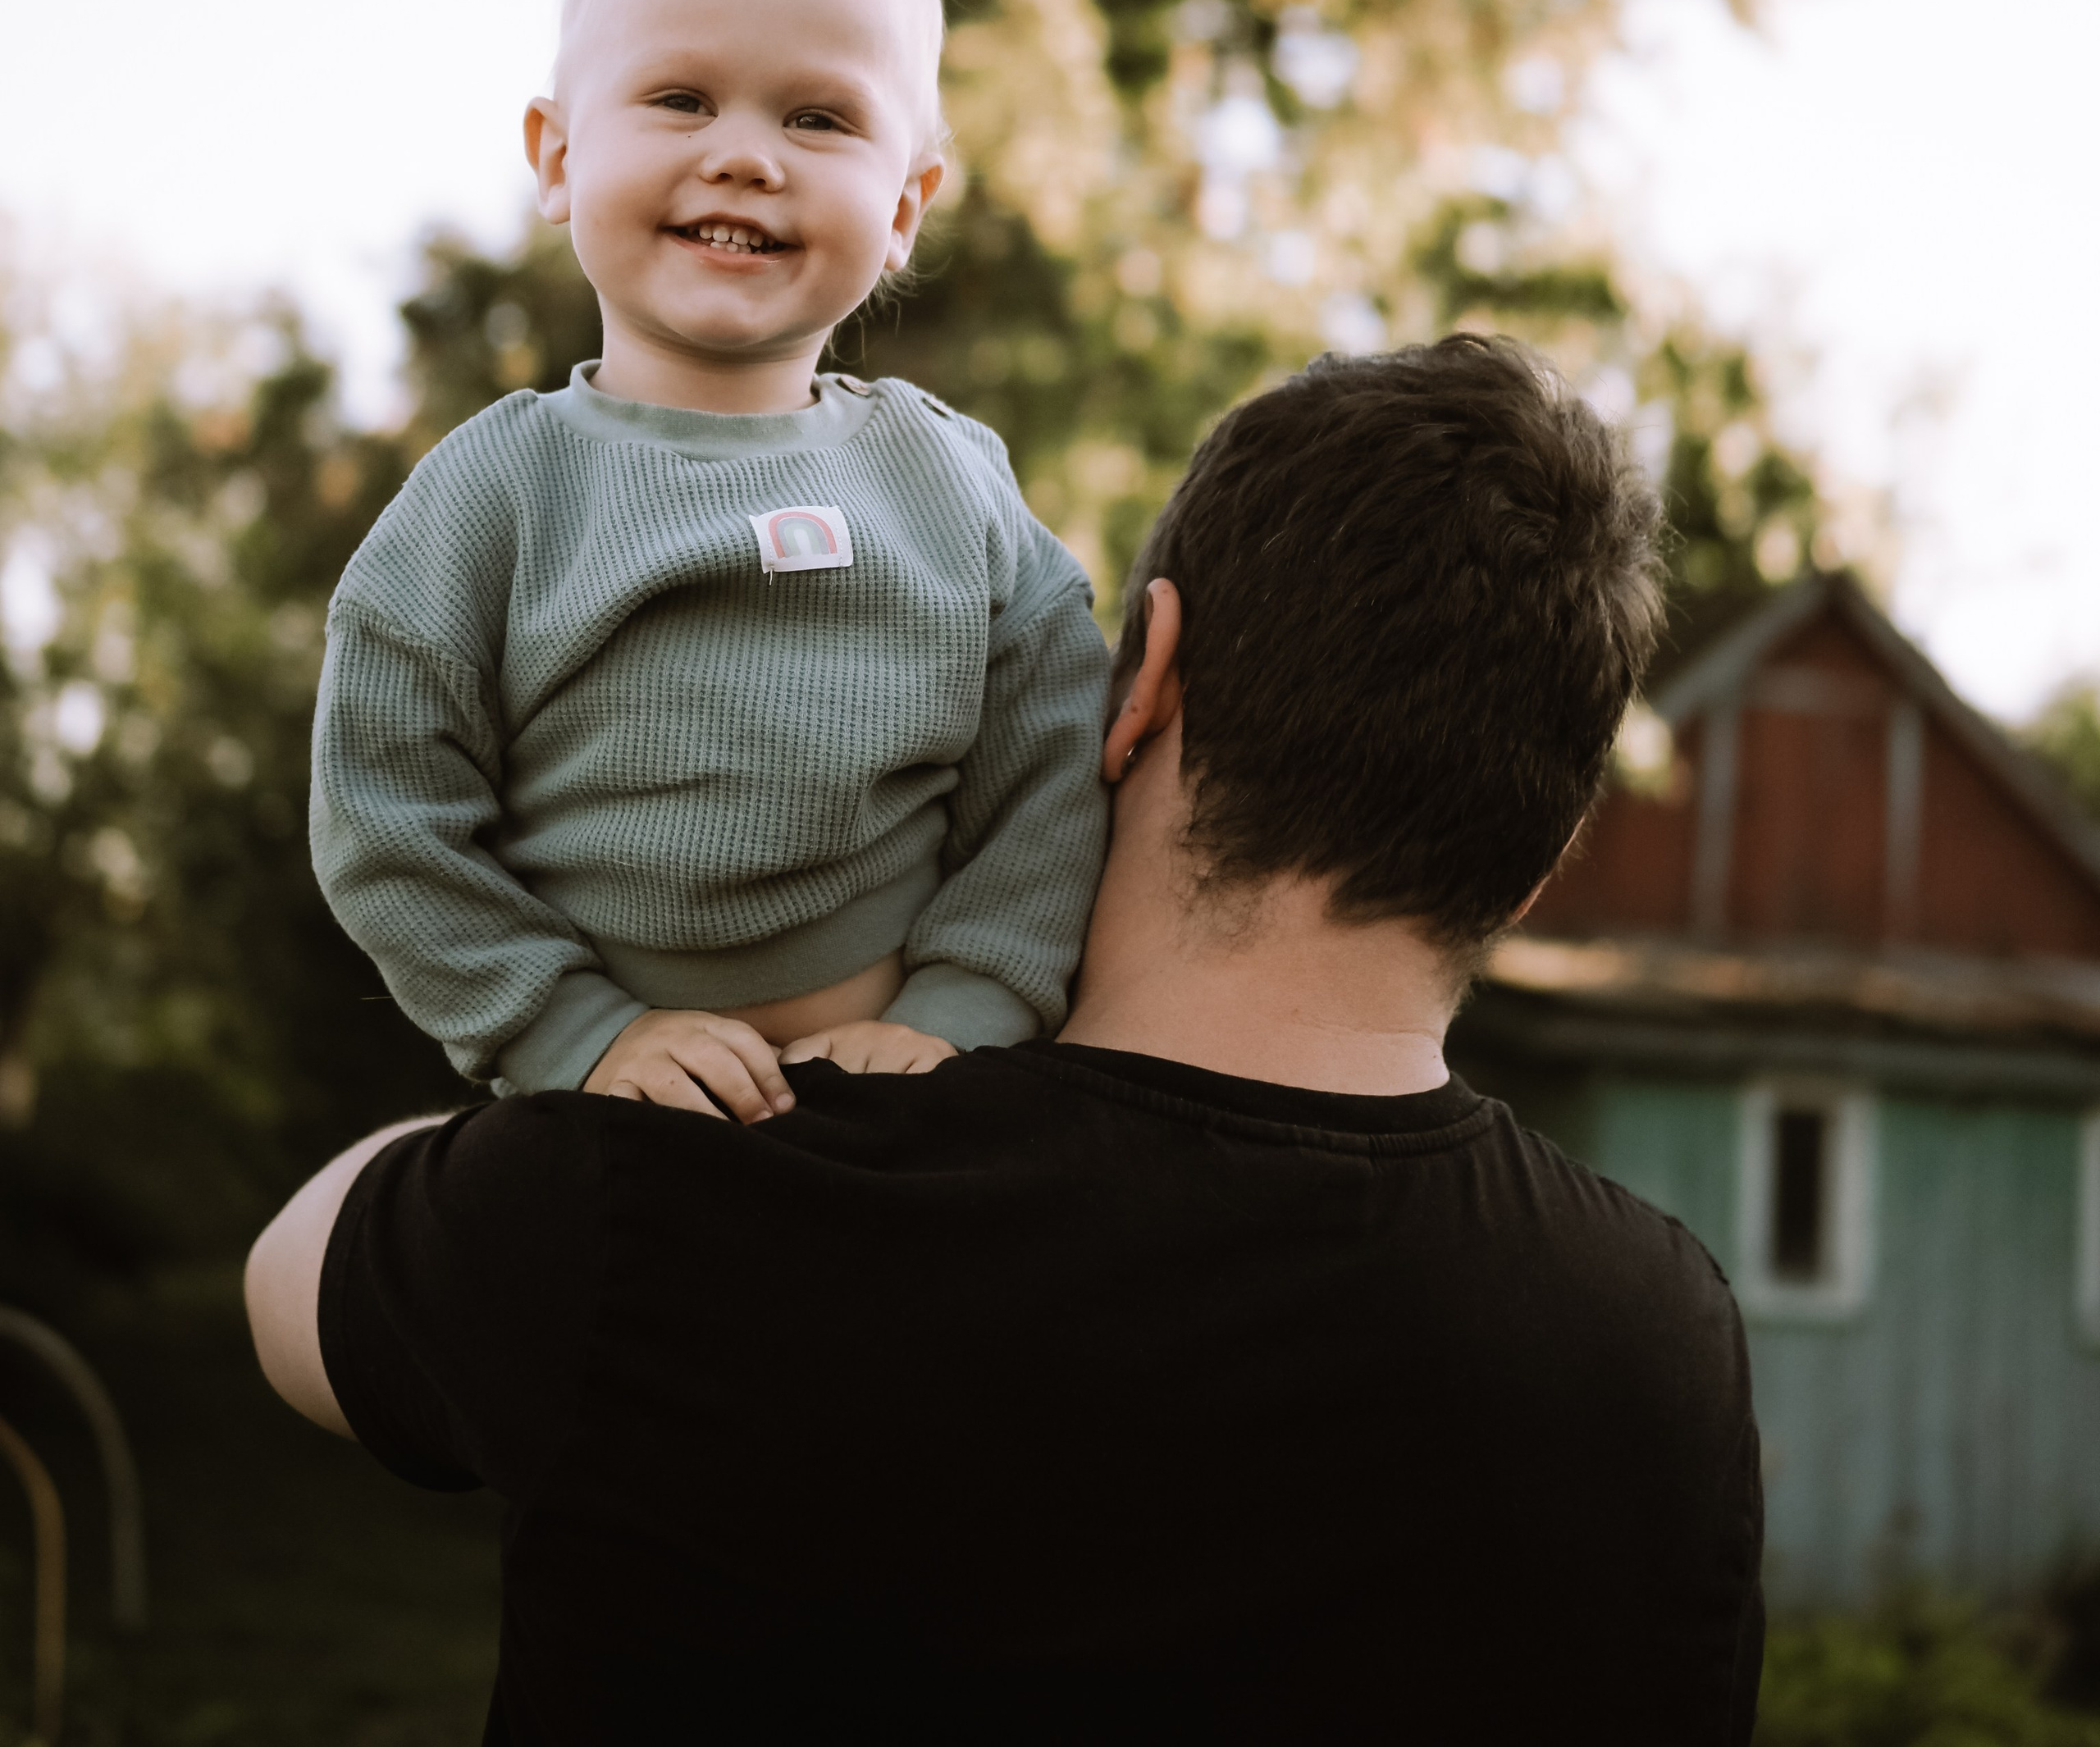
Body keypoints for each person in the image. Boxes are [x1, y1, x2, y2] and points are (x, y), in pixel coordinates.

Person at [252, 337, 1765, 1745]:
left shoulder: (691, 1193)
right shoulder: (1666, 1347)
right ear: (1544, 846)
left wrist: (611, 1026)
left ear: (1144, 678)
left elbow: (286, 1284)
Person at [308, 0, 1110, 1112]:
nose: (746, 156)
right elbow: (386, 810)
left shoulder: (949, 485)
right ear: (559, 156)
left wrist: (966, 1008)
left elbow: (1053, 769)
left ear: (904, 206)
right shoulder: (495, 496)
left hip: (909, 1092)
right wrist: (572, 1027)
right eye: (682, 99)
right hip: (602, 1111)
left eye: (819, 119)